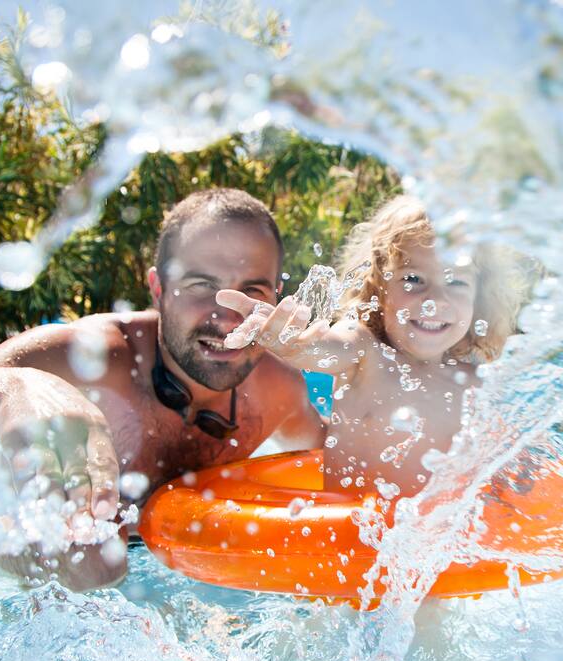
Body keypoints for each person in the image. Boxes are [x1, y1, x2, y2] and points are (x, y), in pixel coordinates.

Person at [0, 188, 326, 590]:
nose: (228, 317)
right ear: (158, 289)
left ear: (276, 295)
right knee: (92, 560)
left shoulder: (279, 388)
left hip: (165, 576)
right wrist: (14, 388)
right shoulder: (90, 359)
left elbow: (341, 458)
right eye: (202, 286)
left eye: (251, 290)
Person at [217, 195, 529, 497]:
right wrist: (292, 345)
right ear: (379, 286)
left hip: (424, 543)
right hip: (347, 538)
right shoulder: (366, 350)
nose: (434, 300)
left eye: (456, 283)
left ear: (480, 297)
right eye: (413, 279)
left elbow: (498, 474)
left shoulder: (476, 384)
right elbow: (327, 348)